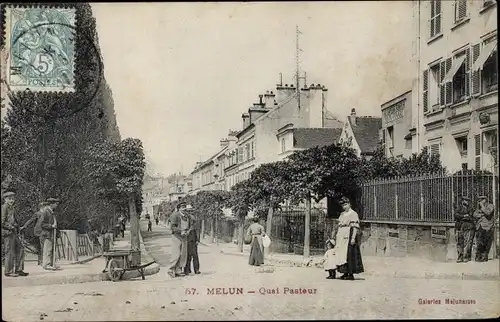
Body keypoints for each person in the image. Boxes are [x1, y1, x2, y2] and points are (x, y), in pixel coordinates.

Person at [332, 196, 364, 280]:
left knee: (349, 254)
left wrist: (353, 238)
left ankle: (351, 273)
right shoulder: (342, 214)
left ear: (349, 204)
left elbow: (355, 227)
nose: (344, 207)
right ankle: (344, 272)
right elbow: (339, 225)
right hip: (341, 236)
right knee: (341, 254)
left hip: (348, 235)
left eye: (346, 204)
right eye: (343, 205)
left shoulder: (353, 214)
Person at [2, 190, 28, 277]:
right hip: (8, 232)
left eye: (13, 199)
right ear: (5, 199)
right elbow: (2, 222)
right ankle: (8, 271)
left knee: (20, 248)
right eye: (9, 199)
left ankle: (19, 269)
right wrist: (11, 226)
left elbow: (14, 220)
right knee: (9, 251)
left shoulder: (12, 208)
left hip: (14, 232)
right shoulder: (4, 207)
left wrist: (17, 226)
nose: (12, 200)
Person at [167, 202, 191, 277]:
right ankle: (171, 270)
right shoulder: (175, 215)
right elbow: (172, 227)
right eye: (182, 207)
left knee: (182, 254)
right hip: (177, 237)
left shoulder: (187, 216)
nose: (184, 209)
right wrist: (181, 231)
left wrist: (188, 231)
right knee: (176, 253)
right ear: (179, 208)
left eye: (185, 207)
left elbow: (191, 224)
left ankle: (178, 270)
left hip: (184, 237)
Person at [22, 201, 49, 266]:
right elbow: (31, 220)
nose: (47, 208)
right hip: (39, 232)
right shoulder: (38, 213)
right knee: (41, 246)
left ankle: (41, 261)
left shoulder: (46, 214)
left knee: (42, 246)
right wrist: (24, 226)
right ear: (41, 207)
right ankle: (41, 261)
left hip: (43, 232)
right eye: (45, 206)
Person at [39, 198, 60, 270]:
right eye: (55, 204)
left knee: (52, 249)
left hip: (52, 234)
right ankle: (46, 264)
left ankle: (52, 263)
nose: (56, 205)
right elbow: (42, 224)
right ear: (51, 204)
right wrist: (51, 226)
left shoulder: (51, 211)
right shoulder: (45, 212)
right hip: (47, 234)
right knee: (47, 249)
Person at [473, 195, 495, 262]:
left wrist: (482, 207)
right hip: (480, 226)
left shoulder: (490, 206)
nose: (480, 201)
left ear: (485, 200)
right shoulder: (479, 208)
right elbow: (474, 215)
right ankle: (478, 256)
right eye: (479, 200)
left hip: (488, 226)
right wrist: (482, 214)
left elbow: (488, 213)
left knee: (487, 243)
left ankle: (484, 257)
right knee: (479, 242)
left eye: (482, 200)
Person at [454, 196, 475, 263]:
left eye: (468, 200)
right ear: (462, 201)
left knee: (467, 242)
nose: (467, 202)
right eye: (465, 200)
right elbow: (455, 215)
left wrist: (461, 217)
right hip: (459, 227)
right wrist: (463, 216)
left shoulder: (471, 208)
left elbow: (470, 217)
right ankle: (460, 257)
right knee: (459, 242)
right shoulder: (458, 208)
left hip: (468, 227)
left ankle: (466, 257)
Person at [184, 209, 200, 275]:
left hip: (193, 239)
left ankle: (196, 270)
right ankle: (187, 270)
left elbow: (197, 231)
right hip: (187, 239)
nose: (190, 212)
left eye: (191, 211)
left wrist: (198, 240)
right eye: (188, 211)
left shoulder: (195, 219)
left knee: (195, 255)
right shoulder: (185, 219)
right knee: (188, 256)